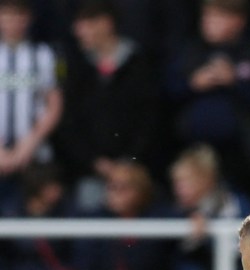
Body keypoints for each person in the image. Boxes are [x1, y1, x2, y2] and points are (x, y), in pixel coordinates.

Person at [165, 0, 250, 198]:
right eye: (206, 16)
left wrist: (235, 82)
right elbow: (165, 94)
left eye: (217, 17)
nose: (208, 23)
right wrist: (192, 85)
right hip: (193, 151)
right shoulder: (189, 51)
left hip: (241, 157)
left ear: (238, 21)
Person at [57, 0, 158, 212]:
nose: (77, 31)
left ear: (105, 24)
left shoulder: (140, 65)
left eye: (84, 24)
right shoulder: (78, 69)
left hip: (135, 171)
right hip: (88, 174)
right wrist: (95, 162)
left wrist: (129, 160)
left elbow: (151, 119)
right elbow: (69, 124)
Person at [169, 143, 250, 270]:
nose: (178, 189)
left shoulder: (236, 204)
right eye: (176, 182)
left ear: (206, 179)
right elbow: (174, 259)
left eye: (184, 182)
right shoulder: (174, 212)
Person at [0, 0, 62, 203]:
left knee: (35, 213)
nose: (13, 23)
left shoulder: (43, 54)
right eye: (7, 16)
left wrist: (29, 143)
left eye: (19, 16)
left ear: (28, 19)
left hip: (35, 153)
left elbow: (54, 103)